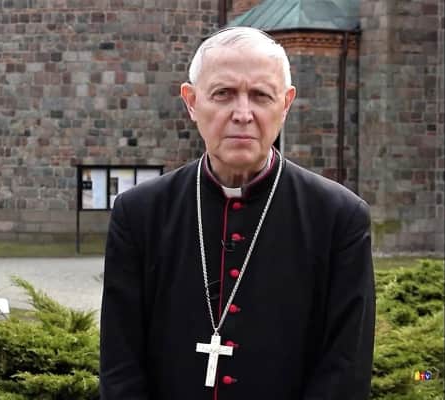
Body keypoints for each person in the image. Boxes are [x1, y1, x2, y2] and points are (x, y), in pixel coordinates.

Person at [100, 27, 375, 400]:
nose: (242, 114)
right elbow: (120, 363)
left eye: (261, 95)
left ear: (286, 104)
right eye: (223, 94)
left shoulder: (339, 218)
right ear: (191, 102)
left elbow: (345, 369)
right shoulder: (139, 214)